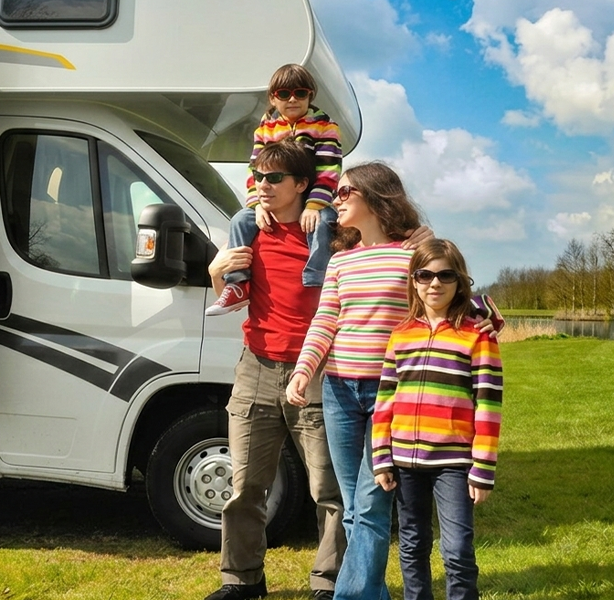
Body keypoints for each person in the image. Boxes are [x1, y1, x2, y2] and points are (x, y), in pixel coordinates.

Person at [285, 164, 501, 600]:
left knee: (369, 504)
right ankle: (372, 593)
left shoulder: (411, 257)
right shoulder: (341, 260)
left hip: (392, 394)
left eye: (346, 191)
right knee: (354, 508)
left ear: (376, 197)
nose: (337, 198)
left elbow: (467, 302)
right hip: (340, 391)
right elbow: (326, 320)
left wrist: (486, 316)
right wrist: (304, 370)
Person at [204, 141, 344, 600]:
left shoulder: (328, 231)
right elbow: (234, 294)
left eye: (274, 178)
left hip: (320, 369)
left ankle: (330, 584)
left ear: (302, 185)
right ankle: (242, 582)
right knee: (244, 488)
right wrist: (215, 272)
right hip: (257, 368)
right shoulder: (250, 229)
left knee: (329, 491)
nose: (262, 186)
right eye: (259, 177)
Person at [372, 238, 504, 600]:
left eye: (446, 275)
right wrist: (381, 457)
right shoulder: (400, 335)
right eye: (425, 274)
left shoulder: (478, 336)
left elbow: (489, 407)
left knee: (458, 550)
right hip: (405, 461)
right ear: (413, 280)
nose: (435, 283)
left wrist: (483, 468)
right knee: (413, 545)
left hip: (455, 462)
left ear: (460, 280)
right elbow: (385, 400)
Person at [206, 63, 342, 316]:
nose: (292, 99)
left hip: (314, 197)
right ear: (272, 98)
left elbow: (329, 168)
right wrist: (257, 205)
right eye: (284, 94)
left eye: (300, 93)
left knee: (324, 223)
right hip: (278, 201)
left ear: (310, 95)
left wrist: (314, 205)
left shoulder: (324, 125)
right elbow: (255, 170)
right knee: (240, 219)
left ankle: (317, 281)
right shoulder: (266, 128)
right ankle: (237, 284)